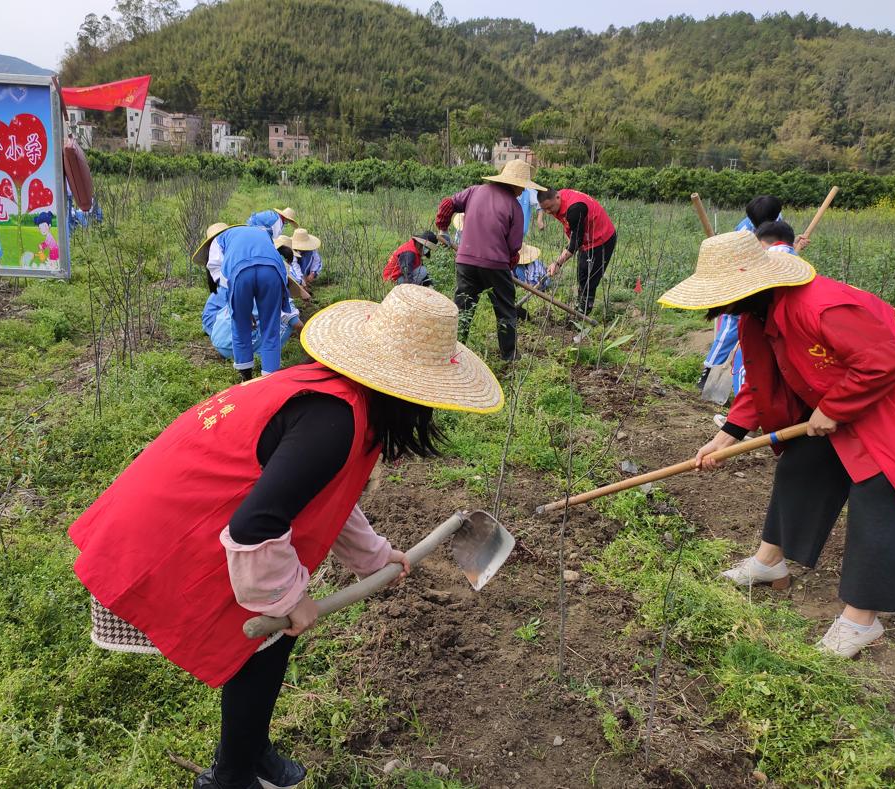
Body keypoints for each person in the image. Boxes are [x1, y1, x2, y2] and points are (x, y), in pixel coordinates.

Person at [68, 285, 504, 789]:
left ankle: (250, 752)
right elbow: (254, 527)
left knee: (268, 644)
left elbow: (324, 499)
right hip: (166, 530)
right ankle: (231, 776)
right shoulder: (333, 421)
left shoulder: (345, 403)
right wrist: (290, 598)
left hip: (200, 512)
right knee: (267, 640)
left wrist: (376, 557)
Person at [660, 230, 895, 658]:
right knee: (802, 465)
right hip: (851, 396)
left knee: (879, 495)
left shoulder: (818, 306)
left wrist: (835, 407)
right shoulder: (758, 315)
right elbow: (761, 381)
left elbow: (885, 361)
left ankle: (861, 621)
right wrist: (725, 437)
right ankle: (770, 561)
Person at [436, 159, 544, 361]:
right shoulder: (514, 206)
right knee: (505, 310)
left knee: (463, 306)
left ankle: (452, 352)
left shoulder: (474, 191)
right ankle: (509, 356)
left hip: (465, 262)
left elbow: (448, 203)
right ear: (514, 184)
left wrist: (442, 228)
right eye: (522, 186)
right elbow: (514, 248)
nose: (522, 191)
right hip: (495, 265)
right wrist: (508, 267)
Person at [710, 220, 802, 428]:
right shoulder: (792, 258)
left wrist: (829, 411)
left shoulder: (762, 264)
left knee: (750, 367)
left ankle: (758, 422)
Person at [697, 196, 783, 393]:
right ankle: (709, 371)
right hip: (742, 281)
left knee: (759, 333)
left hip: (768, 285)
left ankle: (753, 379)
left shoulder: (779, 222)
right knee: (730, 327)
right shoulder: (744, 232)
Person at [196, 225, 289, 380]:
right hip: (272, 272)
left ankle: (246, 380)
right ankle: (270, 381)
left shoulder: (218, 241)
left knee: (240, 326)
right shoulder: (261, 233)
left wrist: (240, 310)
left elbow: (223, 281)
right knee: (270, 328)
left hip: (240, 274)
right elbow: (267, 258)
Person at [536, 188, 616, 316]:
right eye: (544, 209)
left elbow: (575, 242)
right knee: (582, 273)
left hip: (601, 239)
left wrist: (557, 263)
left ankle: (583, 315)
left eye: (550, 208)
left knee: (589, 279)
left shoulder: (574, 208)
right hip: (587, 239)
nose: (548, 212)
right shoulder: (559, 200)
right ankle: (580, 308)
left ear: (557, 197)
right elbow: (573, 233)